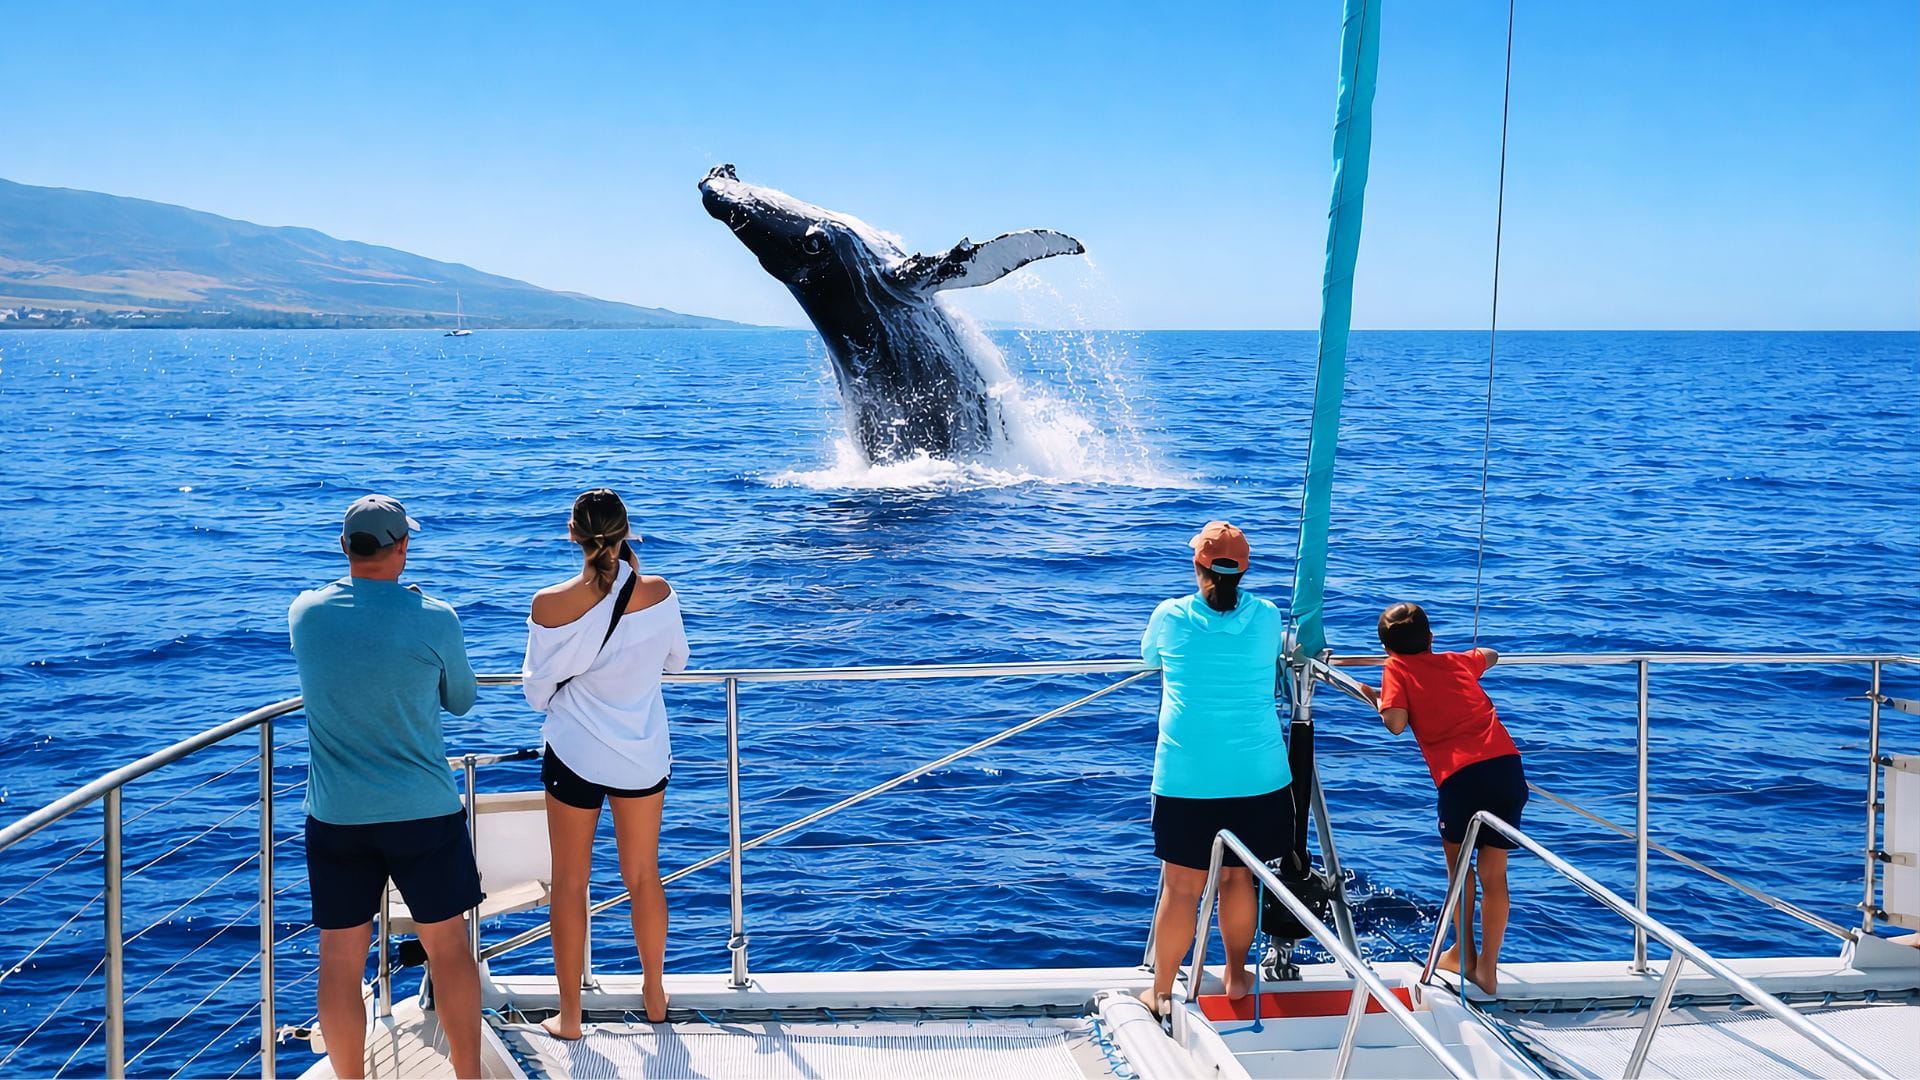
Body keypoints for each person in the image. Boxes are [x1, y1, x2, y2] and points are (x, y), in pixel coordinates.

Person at [289, 495, 483, 1079]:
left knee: (340, 961)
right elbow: (462, 702)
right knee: (448, 950)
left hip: (338, 815)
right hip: (422, 811)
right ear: (402, 548)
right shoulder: (435, 618)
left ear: (345, 548)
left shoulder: (306, 613)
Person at [522, 489, 687, 1036]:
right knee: (643, 875)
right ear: (626, 532)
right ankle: (656, 997)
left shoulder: (549, 603)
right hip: (642, 753)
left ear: (572, 534)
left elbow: (536, 691)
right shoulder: (659, 592)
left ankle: (570, 1018)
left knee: (570, 882)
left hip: (574, 752)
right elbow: (677, 663)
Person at [1138, 521, 1293, 1015]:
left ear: (1198, 565)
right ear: (1243, 570)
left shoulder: (1170, 615)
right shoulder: (1268, 616)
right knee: (1237, 880)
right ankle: (1234, 975)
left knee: (1181, 888)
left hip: (1187, 774)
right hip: (1259, 775)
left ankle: (1162, 991)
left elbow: (1148, 659)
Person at [1357, 601, 1526, 994]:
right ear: (1431, 639)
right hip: (1506, 768)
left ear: (1386, 649)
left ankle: (1463, 952)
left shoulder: (1395, 668)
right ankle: (1488, 968)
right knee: (1494, 875)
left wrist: (1373, 696)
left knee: (1460, 870)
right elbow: (1490, 654)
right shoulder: (1455, 661)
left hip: (1460, 778)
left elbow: (1396, 724)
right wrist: (1473, 658)